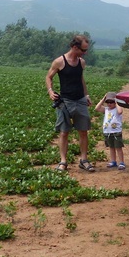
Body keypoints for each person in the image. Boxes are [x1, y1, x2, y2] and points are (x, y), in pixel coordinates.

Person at [45, 34, 94, 172]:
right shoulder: (59, 62)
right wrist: (50, 91)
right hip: (65, 101)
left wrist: (86, 94)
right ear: (74, 47)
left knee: (83, 131)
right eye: (83, 50)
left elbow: (81, 79)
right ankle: (63, 161)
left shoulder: (81, 63)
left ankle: (84, 160)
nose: (85, 53)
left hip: (80, 100)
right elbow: (48, 77)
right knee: (64, 132)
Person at [95, 92, 126, 170]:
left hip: (116, 132)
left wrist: (117, 102)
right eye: (107, 102)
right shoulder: (106, 110)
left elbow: (120, 111)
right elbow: (97, 108)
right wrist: (103, 98)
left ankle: (121, 162)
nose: (109, 104)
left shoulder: (117, 109)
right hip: (107, 132)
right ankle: (113, 161)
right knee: (111, 147)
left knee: (118, 147)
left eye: (111, 102)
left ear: (115, 102)